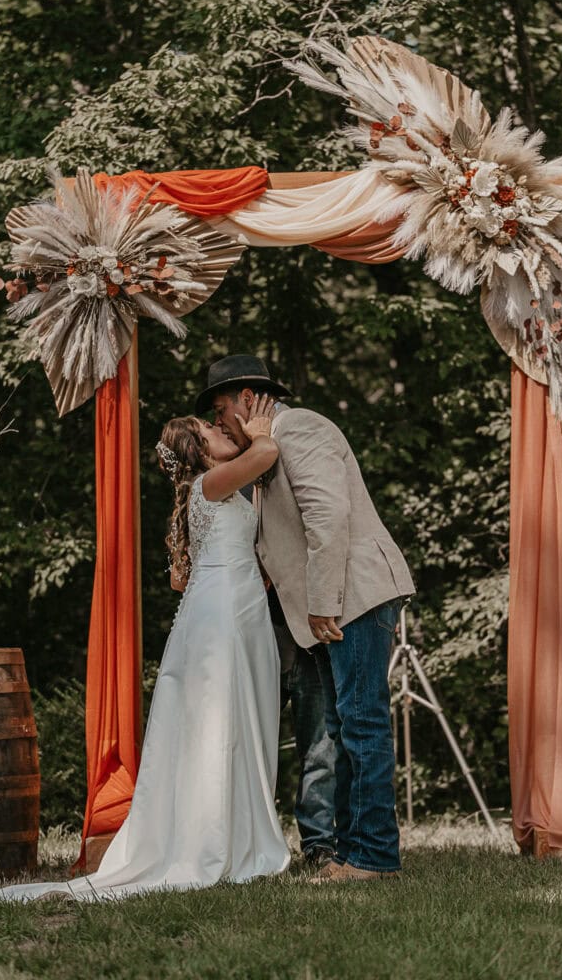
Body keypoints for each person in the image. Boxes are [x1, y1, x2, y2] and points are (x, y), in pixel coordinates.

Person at [0, 398, 290, 905]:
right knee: (221, 726)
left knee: (241, 723)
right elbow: (268, 453)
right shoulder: (208, 485)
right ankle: (217, 841)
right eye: (208, 429)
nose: (219, 428)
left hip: (238, 610)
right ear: (197, 451)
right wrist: (257, 430)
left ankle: (240, 831)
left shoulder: (222, 485)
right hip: (223, 620)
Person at [197, 354, 416, 883]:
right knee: (345, 726)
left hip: (353, 594)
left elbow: (328, 517)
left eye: (222, 411)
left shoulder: (303, 428)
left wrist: (322, 601)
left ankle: (373, 857)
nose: (222, 423)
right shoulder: (269, 448)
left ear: (248, 401)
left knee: (362, 723)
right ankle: (349, 853)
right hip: (335, 601)